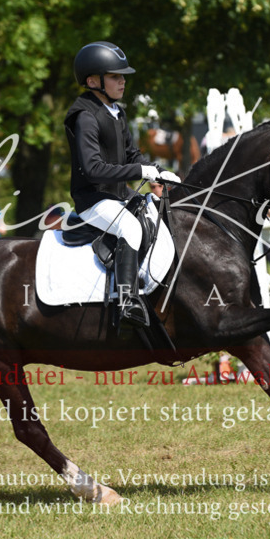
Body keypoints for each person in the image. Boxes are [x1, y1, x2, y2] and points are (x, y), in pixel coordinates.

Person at [64, 41, 178, 328]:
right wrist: (140, 170)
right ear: (93, 81)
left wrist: (158, 172)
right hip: (93, 199)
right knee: (129, 228)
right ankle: (127, 303)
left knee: (157, 212)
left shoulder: (116, 112)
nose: (123, 81)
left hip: (117, 195)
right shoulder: (85, 117)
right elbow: (93, 169)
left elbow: (132, 155)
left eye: (122, 76)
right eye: (115, 76)